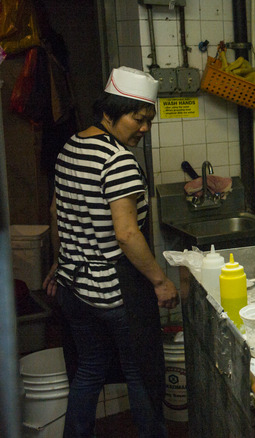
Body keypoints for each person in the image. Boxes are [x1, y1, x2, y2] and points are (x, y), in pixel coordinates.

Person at [42, 66, 178, 438]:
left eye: (149, 120)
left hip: (74, 288)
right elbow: (127, 234)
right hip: (115, 294)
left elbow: (58, 211)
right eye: (138, 118)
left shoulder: (70, 146)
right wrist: (160, 281)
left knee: (89, 369)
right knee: (143, 375)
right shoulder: (118, 161)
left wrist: (60, 259)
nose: (144, 129)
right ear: (110, 111)